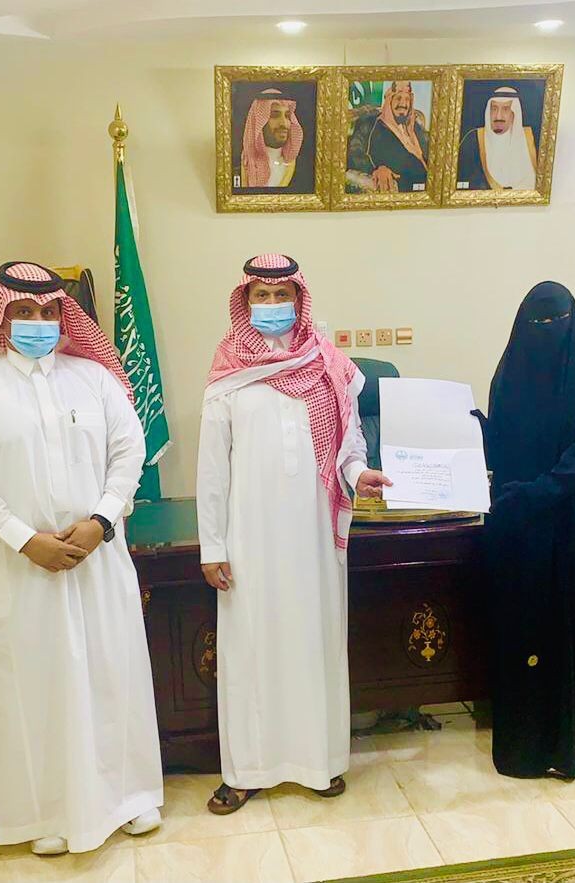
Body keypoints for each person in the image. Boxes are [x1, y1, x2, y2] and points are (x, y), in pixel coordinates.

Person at [0, 262, 163, 854]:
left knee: (112, 671)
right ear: (2, 318)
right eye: (24, 312)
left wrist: (101, 521)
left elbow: (129, 452)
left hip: (97, 558)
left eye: (49, 311)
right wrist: (23, 538)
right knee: (36, 683)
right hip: (18, 567)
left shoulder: (95, 379)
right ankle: (47, 814)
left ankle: (129, 797)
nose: (38, 322)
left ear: (65, 317)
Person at [197, 253, 390, 813]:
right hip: (249, 537)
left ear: (299, 300)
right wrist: (213, 546)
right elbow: (212, 468)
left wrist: (360, 473)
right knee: (250, 648)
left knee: (314, 642)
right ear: (245, 302)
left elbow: (347, 445)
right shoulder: (229, 370)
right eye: (262, 296)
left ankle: (318, 763)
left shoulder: (327, 364)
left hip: (312, 535)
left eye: (282, 296)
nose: (273, 305)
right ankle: (246, 771)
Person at [476, 281, 575, 780]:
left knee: (570, 633)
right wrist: (474, 427)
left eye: (555, 322)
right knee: (522, 631)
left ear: (573, 324)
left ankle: (570, 748)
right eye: (536, 324)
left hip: (571, 524)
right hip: (519, 523)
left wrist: (538, 491)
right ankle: (523, 749)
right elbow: (504, 444)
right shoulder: (510, 374)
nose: (546, 332)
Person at [458, 85, 537, 191]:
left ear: (514, 113)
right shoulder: (473, 139)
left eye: (505, 109)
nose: (498, 116)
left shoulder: (532, 138)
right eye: (494, 109)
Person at [366, 81, 429, 193]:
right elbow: (358, 154)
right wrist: (378, 168)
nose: (403, 104)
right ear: (390, 101)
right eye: (398, 98)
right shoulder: (379, 129)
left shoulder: (415, 127)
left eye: (407, 99)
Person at [240, 88, 304, 188]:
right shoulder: (244, 162)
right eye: (275, 115)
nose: (284, 123)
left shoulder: (299, 165)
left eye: (287, 116)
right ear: (259, 122)